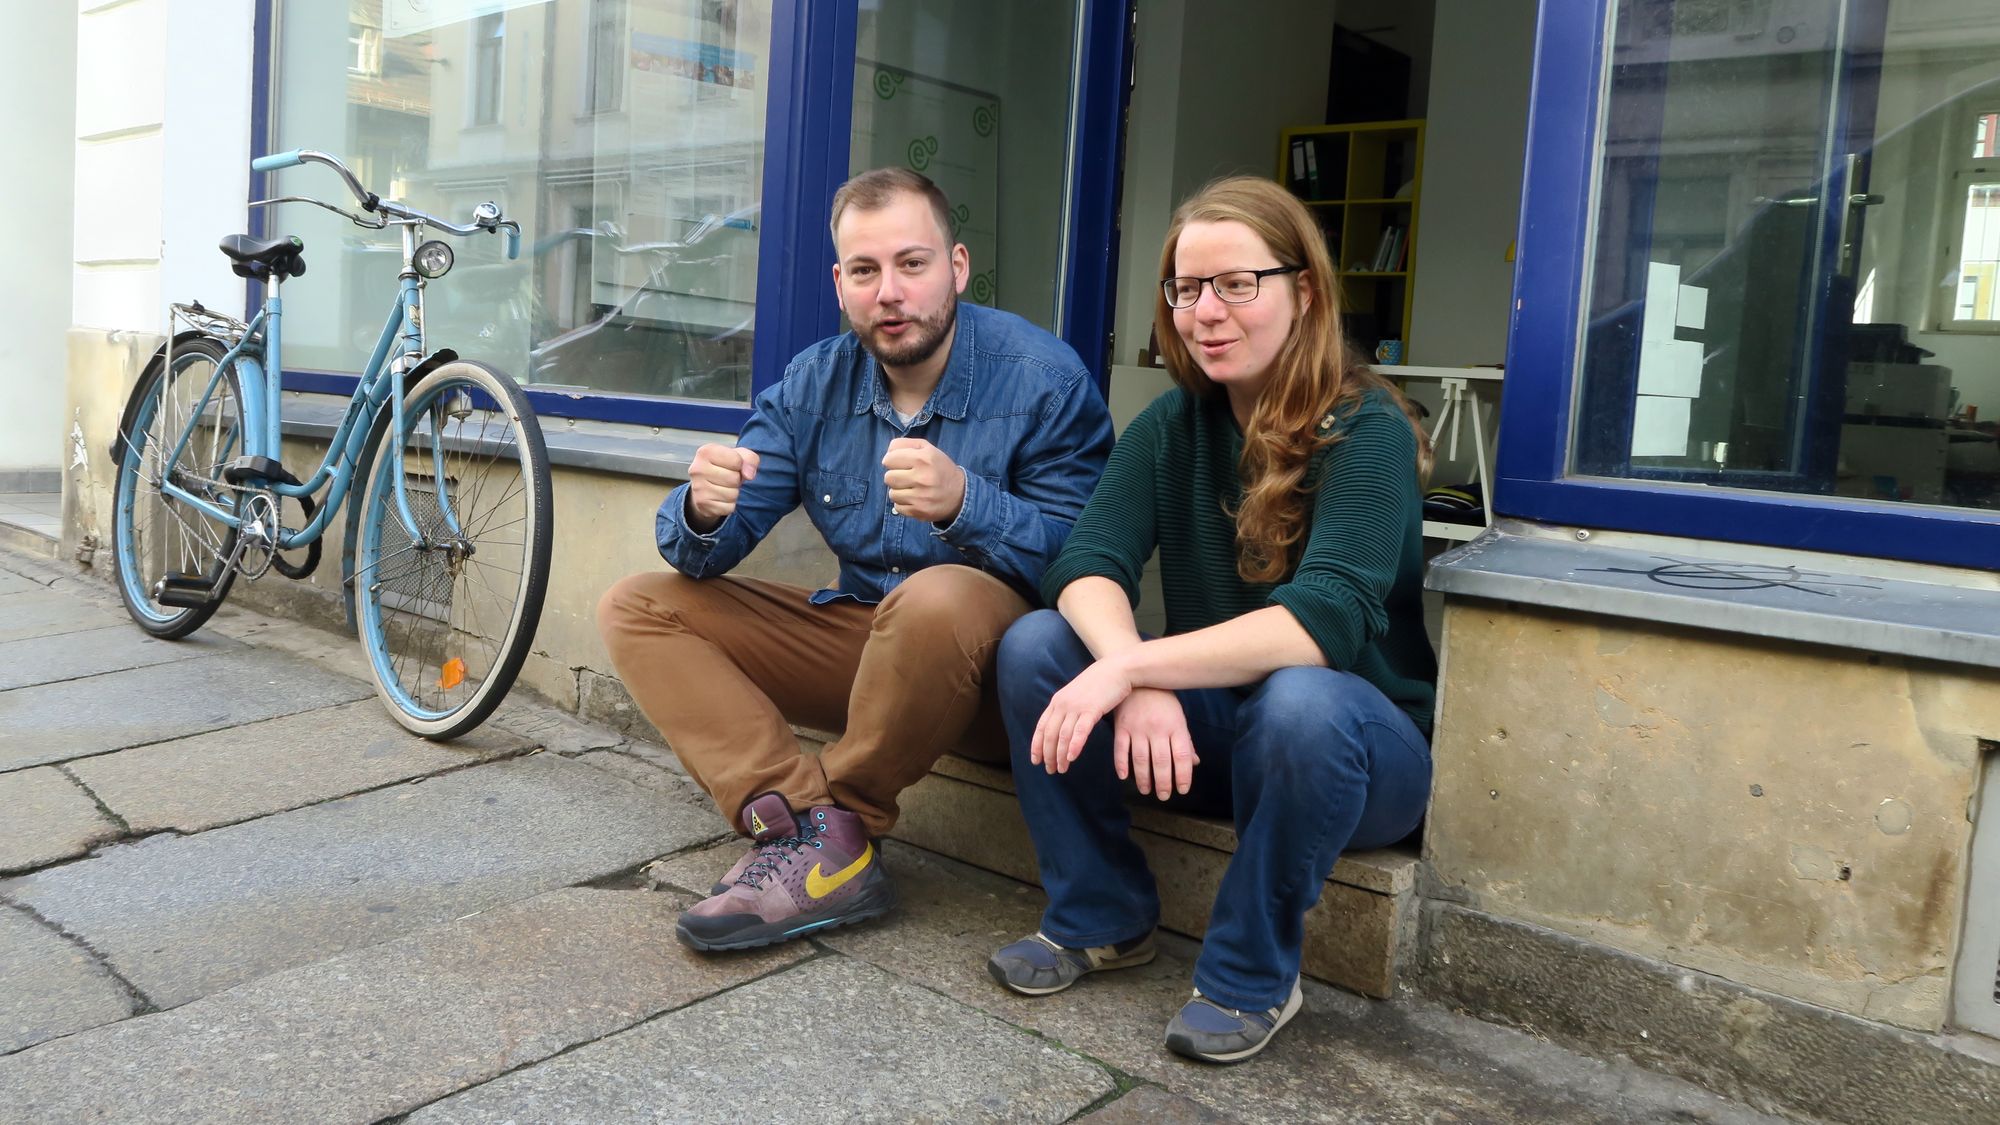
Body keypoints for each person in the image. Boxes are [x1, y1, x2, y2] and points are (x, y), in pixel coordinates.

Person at [597, 167, 1114, 953]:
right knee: (638, 604)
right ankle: (806, 825)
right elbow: (706, 550)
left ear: (958, 267)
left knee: (940, 595)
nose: (890, 293)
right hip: (871, 648)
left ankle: (848, 819)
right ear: (841, 284)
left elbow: (1086, 559)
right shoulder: (816, 380)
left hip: (993, 683)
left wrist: (969, 503)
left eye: (913, 264)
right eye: (866, 272)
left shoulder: (1043, 378)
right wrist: (706, 505)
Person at [985, 176, 1437, 1064]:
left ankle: (1250, 972)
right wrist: (1131, 665)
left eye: (1238, 283)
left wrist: (1138, 669)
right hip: (1223, 734)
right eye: (1186, 288)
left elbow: (1324, 622)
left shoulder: (1368, 428)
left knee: (1303, 698)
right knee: (1037, 644)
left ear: (1303, 291)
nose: (1206, 311)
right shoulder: (1174, 425)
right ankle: (1101, 914)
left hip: (1351, 756)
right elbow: (1082, 561)